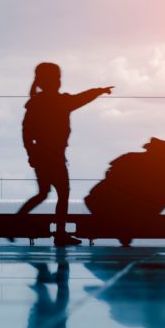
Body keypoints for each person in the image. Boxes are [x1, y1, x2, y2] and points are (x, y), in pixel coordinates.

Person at [15, 62, 112, 246]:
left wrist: (31, 154)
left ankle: (19, 220)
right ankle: (58, 233)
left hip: (42, 155)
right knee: (62, 193)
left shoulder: (36, 103)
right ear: (52, 81)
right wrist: (100, 90)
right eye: (57, 78)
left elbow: (26, 132)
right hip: (53, 157)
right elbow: (82, 98)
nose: (59, 82)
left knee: (44, 193)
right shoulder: (60, 102)